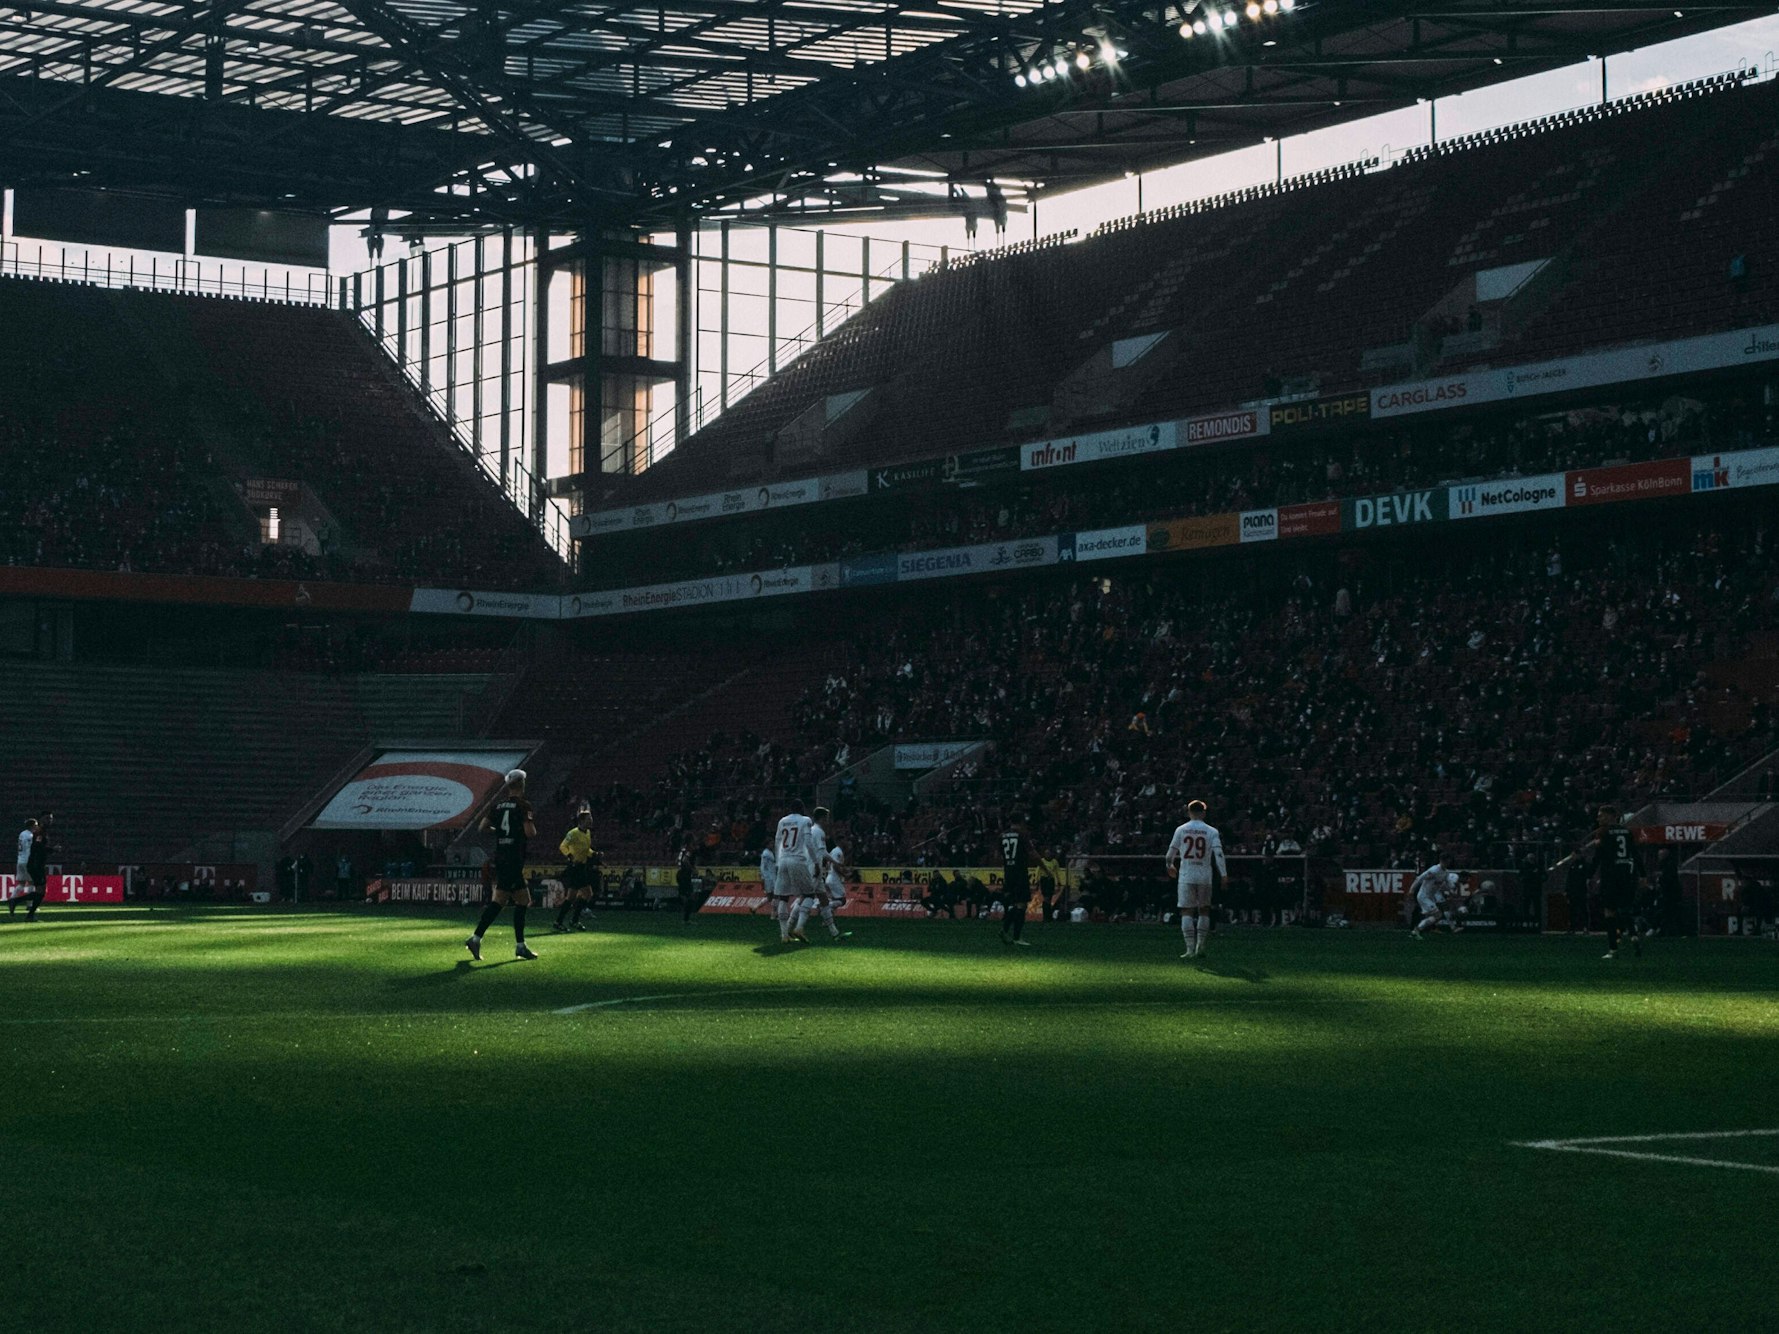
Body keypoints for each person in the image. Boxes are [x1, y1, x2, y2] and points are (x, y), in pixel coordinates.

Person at [465, 769, 539, 961]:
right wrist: (518, 832)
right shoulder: (523, 805)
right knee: (515, 901)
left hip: (501, 856)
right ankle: (515, 945)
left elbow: (482, 827)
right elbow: (530, 833)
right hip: (514, 858)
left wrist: (500, 832)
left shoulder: (496, 806)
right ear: (522, 784)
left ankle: (479, 938)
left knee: (507, 900)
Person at [1166, 799, 1226, 958]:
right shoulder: (1212, 831)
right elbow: (1219, 854)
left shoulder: (1181, 829)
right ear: (1204, 812)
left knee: (1186, 911)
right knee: (1204, 909)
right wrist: (1224, 874)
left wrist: (1170, 866)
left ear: (1189, 812)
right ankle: (1201, 945)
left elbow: (1170, 853)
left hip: (1186, 874)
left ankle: (1189, 949)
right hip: (1205, 875)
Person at [1591, 805, 1642, 960]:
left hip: (1610, 876)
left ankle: (1613, 949)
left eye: (1601, 815)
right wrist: (1643, 874)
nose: (1598, 818)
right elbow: (1634, 853)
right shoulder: (1627, 832)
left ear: (1610, 816)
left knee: (1609, 912)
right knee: (1625, 909)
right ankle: (1633, 935)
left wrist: (1590, 875)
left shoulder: (1602, 832)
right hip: (1627, 875)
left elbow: (1598, 856)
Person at [773, 799, 819, 944]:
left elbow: (777, 842)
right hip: (797, 859)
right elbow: (808, 842)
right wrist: (816, 862)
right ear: (802, 809)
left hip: (783, 860)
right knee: (809, 894)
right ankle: (799, 927)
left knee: (783, 897)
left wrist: (777, 862)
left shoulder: (782, 821)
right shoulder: (805, 820)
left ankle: (784, 935)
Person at [553, 805, 600, 933]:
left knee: (576, 896)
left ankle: (566, 921)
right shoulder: (573, 833)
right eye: (589, 818)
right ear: (582, 820)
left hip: (582, 867)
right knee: (583, 894)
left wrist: (594, 853)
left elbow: (586, 850)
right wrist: (570, 856)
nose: (591, 820)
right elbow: (563, 846)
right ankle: (567, 920)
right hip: (575, 867)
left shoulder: (588, 833)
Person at [1000, 817, 1033, 947]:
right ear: (1021, 823)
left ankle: (1004, 929)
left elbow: (999, 854)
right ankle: (1017, 937)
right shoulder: (1022, 836)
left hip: (1008, 873)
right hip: (1020, 873)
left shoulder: (1002, 836)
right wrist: (1045, 869)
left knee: (1015, 904)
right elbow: (1033, 853)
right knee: (1021, 905)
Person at [1408, 854, 1453, 940]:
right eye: (1446, 861)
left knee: (1435, 916)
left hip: (1430, 897)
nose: (1447, 863)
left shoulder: (1446, 873)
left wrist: (1451, 890)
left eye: (1448, 862)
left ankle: (1416, 931)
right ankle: (1416, 930)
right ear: (1441, 861)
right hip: (1423, 896)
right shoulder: (1434, 870)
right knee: (1438, 914)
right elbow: (1419, 878)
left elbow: (1448, 884)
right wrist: (1411, 890)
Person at [11, 817, 41, 920]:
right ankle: (30, 905)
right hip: (28, 861)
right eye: (36, 824)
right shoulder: (30, 836)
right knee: (32, 883)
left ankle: (12, 899)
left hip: (20, 860)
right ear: (32, 826)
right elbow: (30, 849)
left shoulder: (22, 834)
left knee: (21, 884)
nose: (37, 826)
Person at [677, 844, 700, 924]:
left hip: (680, 874)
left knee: (685, 895)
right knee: (690, 897)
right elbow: (685, 860)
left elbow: (679, 860)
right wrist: (692, 869)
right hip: (685, 876)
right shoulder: (688, 851)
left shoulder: (683, 849)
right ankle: (686, 918)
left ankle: (685, 917)